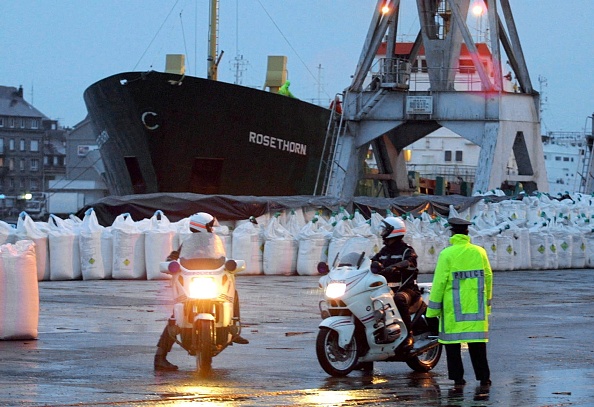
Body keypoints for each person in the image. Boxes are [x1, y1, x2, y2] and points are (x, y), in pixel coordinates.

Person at [154, 212, 249, 372]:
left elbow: (222, 258)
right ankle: (160, 357)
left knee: (232, 291)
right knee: (175, 317)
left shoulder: (215, 242)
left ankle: (233, 323)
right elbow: (175, 256)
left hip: (211, 280)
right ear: (203, 226)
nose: (212, 228)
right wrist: (171, 263)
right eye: (210, 225)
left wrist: (230, 265)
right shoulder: (187, 244)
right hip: (191, 284)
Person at [426, 218, 493, 388]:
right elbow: (488, 278)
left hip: (453, 311)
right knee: (477, 346)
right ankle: (484, 378)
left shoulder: (447, 254)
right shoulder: (480, 252)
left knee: (453, 347)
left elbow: (439, 283)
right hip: (476, 310)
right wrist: (487, 306)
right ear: (467, 233)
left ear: (452, 233)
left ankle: (458, 379)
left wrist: (432, 312)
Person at [371, 216, 420, 349]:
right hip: (385, 290)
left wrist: (397, 266)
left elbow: (411, 262)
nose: (382, 232)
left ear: (393, 231)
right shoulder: (383, 251)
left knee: (399, 299)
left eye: (384, 229)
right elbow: (372, 261)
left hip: (407, 289)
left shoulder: (406, 250)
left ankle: (408, 335)